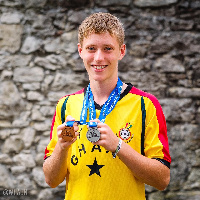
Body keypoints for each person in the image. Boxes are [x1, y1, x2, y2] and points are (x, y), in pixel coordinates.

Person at [43, 12, 171, 200]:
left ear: (122, 51)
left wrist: (118, 146)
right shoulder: (66, 105)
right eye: (91, 48)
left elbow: (162, 180)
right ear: (80, 51)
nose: (99, 57)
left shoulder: (145, 105)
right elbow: (51, 179)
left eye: (108, 48)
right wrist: (62, 148)